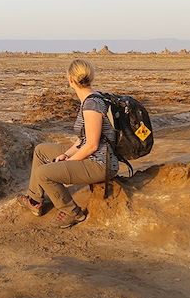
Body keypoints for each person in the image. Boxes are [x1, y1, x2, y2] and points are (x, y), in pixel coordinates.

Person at [17, 59, 119, 227]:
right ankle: (35, 200)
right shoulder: (89, 100)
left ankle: (72, 212)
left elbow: (92, 145)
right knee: (41, 150)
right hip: (93, 156)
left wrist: (70, 162)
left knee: (44, 173)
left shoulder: (92, 104)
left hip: (101, 163)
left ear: (71, 79)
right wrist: (66, 154)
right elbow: (82, 140)